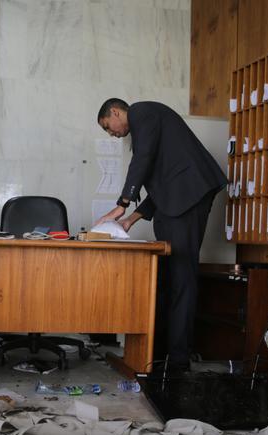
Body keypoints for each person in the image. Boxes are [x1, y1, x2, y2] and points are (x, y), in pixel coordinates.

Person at [95, 98, 227, 371]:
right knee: (166, 275)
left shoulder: (143, 112)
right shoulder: (150, 132)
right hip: (179, 198)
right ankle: (160, 352)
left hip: (190, 196)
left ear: (116, 112)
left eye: (109, 127)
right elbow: (163, 183)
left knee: (181, 276)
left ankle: (178, 359)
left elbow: (144, 160)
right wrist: (131, 219)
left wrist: (122, 203)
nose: (113, 134)